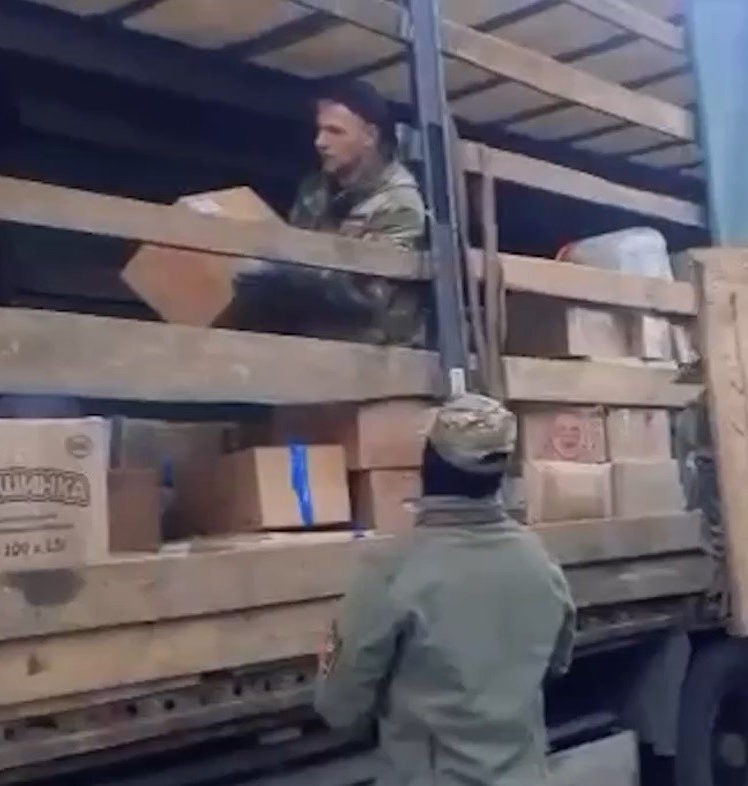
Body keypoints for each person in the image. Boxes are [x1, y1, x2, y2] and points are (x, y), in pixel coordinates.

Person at [313, 393, 576, 786]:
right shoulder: (540, 562)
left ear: (428, 465)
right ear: (500, 473)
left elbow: (339, 705)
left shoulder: (393, 569)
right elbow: (557, 664)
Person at [234, 80, 430, 346]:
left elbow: (370, 298)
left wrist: (288, 277)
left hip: (375, 346)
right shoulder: (314, 190)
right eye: (319, 130)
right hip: (315, 332)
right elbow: (294, 248)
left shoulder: (399, 204)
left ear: (370, 136)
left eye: (335, 132)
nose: (320, 142)